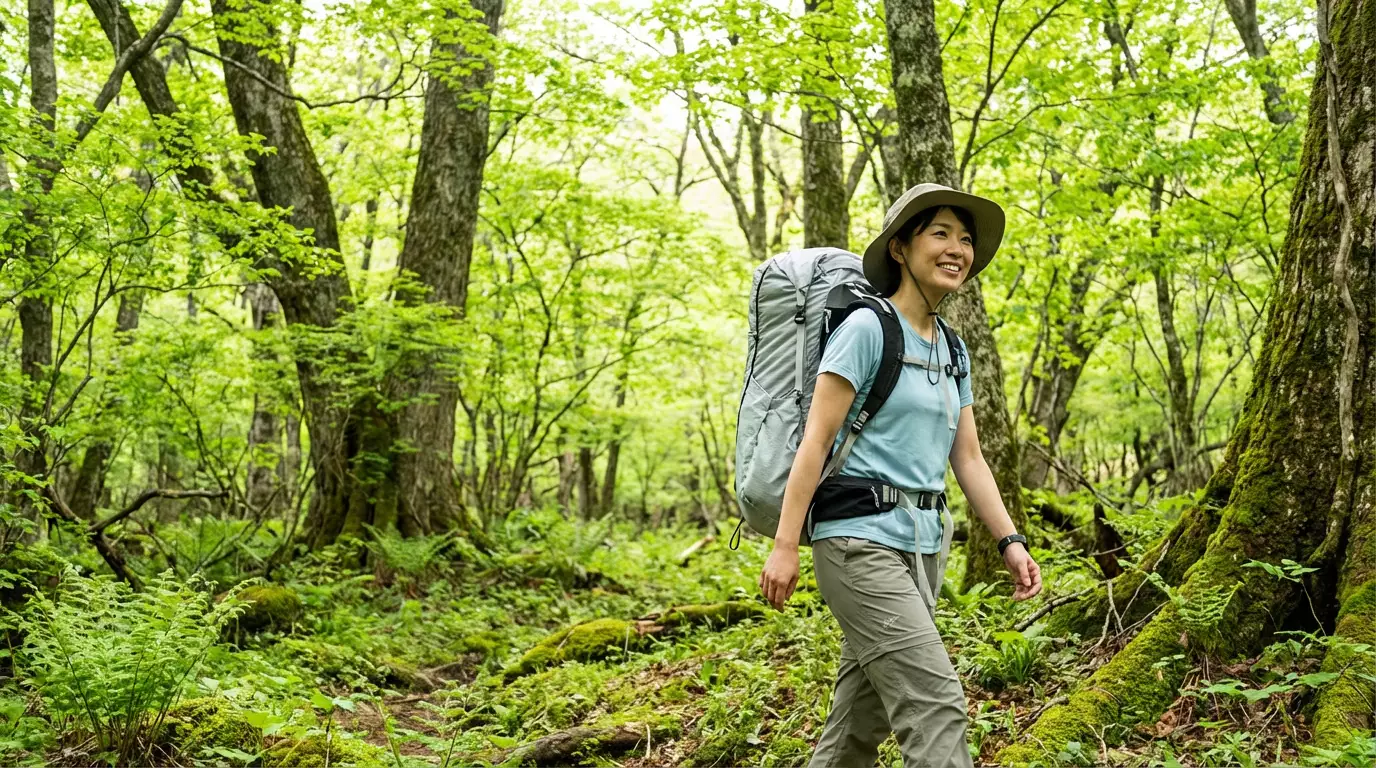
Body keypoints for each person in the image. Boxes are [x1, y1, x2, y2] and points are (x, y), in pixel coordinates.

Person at [758, 183, 1043, 767]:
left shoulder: (953, 350)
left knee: (859, 721)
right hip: (858, 545)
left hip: (924, 547)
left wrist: (1009, 540)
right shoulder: (867, 330)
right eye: (940, 233)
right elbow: (815, 442)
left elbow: (969, 458)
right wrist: (785, 546)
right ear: (899, 248)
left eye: (965, 239)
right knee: (935, 706)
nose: (957, 249)